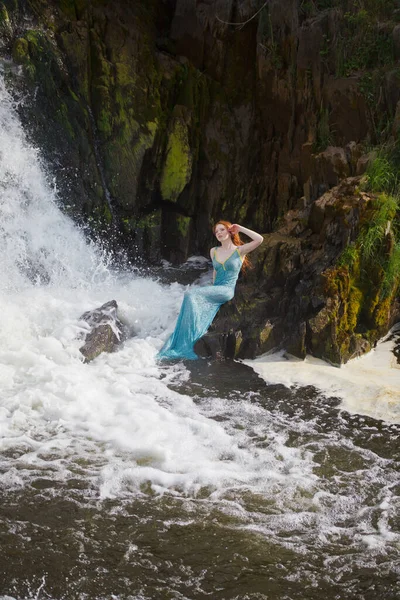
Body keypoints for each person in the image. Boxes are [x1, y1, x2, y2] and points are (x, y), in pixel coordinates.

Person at [157, 221, 264, 361]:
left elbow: (259, 239)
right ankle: (185, 337)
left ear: (229, 231)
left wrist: (240, 228)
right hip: (216, 288)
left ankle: (187, 342)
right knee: (192, 298)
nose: (219, 233)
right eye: (216, 232)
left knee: (190, 294)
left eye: (222, 230)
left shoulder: (239, 251)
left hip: (226, 290)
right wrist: (211, 290)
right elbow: (215, 271)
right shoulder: (214, 251)